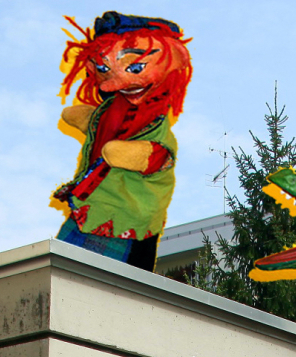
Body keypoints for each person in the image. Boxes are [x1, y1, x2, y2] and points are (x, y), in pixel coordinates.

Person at [51, 11, 192, 272]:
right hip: (87, 211)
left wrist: (126, 152)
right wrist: (90, 121)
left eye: (135, 68)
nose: (113, 82)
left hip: (126, 223)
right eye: (104, 68)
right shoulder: (110, 111)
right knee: (60, 273)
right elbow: (92, 124)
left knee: (109, 288)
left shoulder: (157, 128)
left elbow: (154, 157)